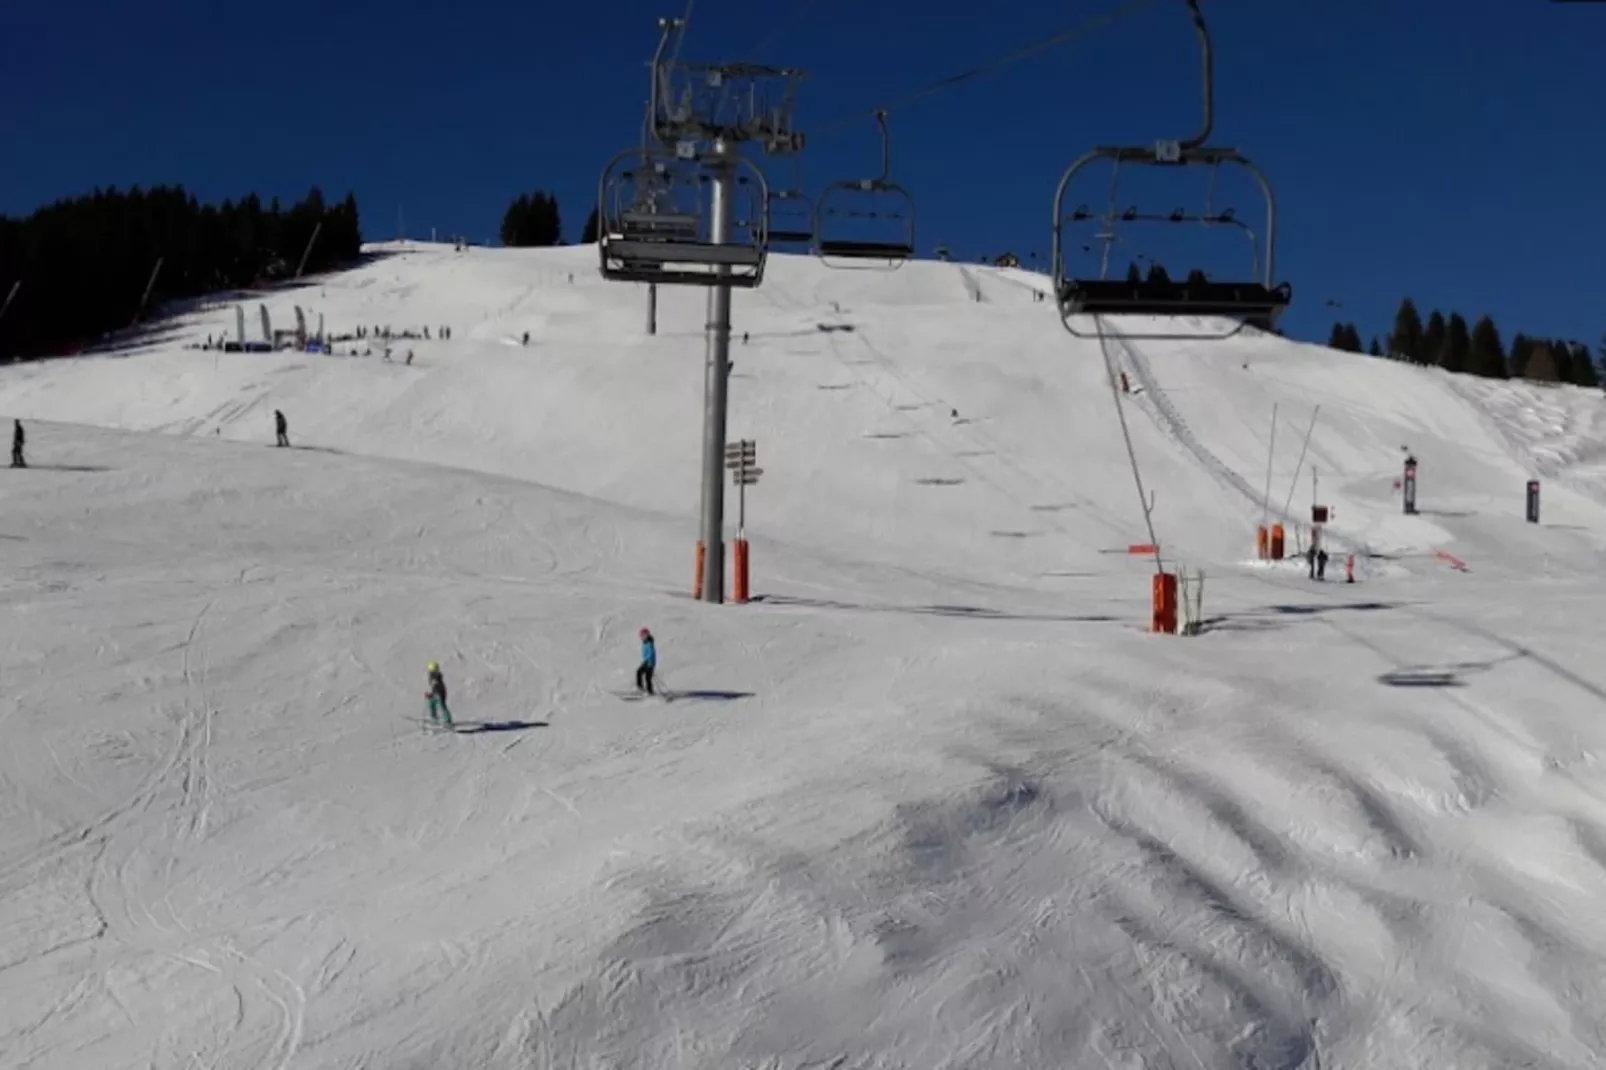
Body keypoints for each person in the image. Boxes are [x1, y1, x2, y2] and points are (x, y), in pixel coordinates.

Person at [425, 661, 453, 726]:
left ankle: (448, 720)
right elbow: (433, 688)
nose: (432, 673)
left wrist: (431, 694)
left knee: (442, 706)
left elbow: (437, 688)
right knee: (431, 704)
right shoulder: (432, 678)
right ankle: (434, 718)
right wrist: (430, 694)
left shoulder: (437, 678)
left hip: (440, 694)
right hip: (435, 694)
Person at [635, 628, 656, 696]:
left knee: (647, 678)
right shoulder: (645, 643)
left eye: (643, 636)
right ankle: (640, 687)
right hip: (646, 662)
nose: (642, 638)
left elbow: (651, 654)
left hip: (650, 663)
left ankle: (650, 692)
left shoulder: (649, 643)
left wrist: (648, 662)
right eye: (641, 636)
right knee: (639, 672)